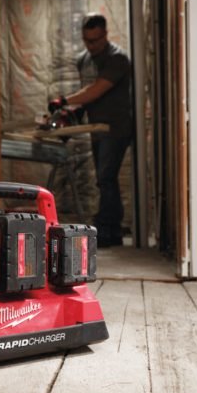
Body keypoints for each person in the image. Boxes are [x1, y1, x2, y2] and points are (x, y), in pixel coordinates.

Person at [48, 13, 132, 248]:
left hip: (115, 128)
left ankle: (107, 229)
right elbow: (86, 95)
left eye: (95, 40)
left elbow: (96, 90)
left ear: (105, 35)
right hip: (96, 129)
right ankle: (110, 229)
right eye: (87, 40)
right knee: (104, 180)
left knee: (106, 178)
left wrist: (64, 100)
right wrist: (70, 114)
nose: (91, 46)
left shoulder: (117, 58)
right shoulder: (84, 59)